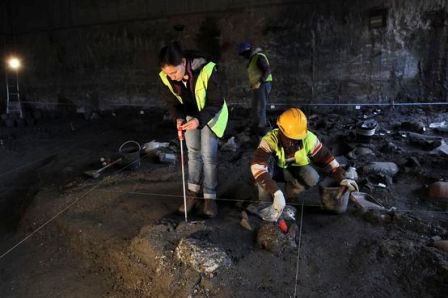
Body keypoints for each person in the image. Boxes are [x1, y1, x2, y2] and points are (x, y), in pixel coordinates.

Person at [158, 41, 229, 218]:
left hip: (210, 115)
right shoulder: (166, 76)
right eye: (168, 73)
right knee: (193, 153)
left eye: (174, 72)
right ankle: (192, 192)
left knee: (208, 156)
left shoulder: (207, 69)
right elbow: (172, 102)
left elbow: (216, 102)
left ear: (183, 62)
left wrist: (199, 121)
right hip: (190, 115)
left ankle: (210, 197)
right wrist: (179, 118)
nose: (172, 77)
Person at [250, 107, 358, 221]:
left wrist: (342, 177)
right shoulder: (269, 140)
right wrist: (276, 193)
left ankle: (290, 194)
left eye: (297, 138)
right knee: (261, 180)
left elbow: (327, 159)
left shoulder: (308, 138)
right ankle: (267, 206)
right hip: (273, 171)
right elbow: (258, 168)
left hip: (292, 170)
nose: (294, 142)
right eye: (290, 137)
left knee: (312, 176)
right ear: (280, 129)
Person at [238, 42, 272, 135]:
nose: (243, 57)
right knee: (255, 106)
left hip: (263, 84)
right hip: (257, 85)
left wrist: (260, 81)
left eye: (243, 54)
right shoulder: (252, 59)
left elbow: (267, 70)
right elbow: (254, 74)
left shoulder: (258, 57)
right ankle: (256, 125)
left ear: (247, 51)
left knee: (261, 106)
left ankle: (262, 128)